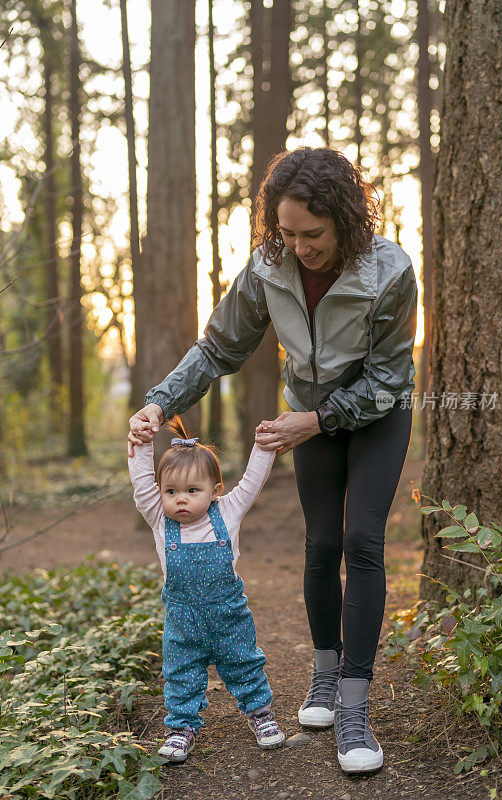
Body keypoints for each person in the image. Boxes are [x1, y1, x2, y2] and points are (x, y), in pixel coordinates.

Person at [128, 146, 417, 773]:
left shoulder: (390, 269)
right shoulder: (268, 268)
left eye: (312, 234)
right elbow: (217, 349)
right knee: (320, 544)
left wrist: (315, 421)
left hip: (375, 413)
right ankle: (324, 675)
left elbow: (391, 379)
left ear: (344, 218)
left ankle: (356, 708)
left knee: (362, 539)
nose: (299, 246)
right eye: (285, 232)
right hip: (304, 416)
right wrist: (159, 402)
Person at [128, 415, 285, 763]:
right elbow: (141, 484)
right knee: (180, 672)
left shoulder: (227, 511)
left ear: (214, 491)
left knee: (244, 662)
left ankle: (260, 713)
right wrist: (141, 444)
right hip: (182, 617)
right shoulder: (159, 517)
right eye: (171, 491)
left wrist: (261, 446)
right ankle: (181, 728)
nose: (180, 500)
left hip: (228, 612)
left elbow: (251, 482)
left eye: (192, 491)